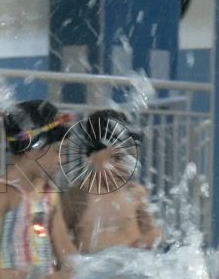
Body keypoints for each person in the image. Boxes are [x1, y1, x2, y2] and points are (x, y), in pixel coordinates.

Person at [0, 100, 77, 279]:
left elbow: (63, 245)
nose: (61, 160)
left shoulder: (50, 193)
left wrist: (78, 273)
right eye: (57, 152)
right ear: (32, 149)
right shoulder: (2, 192)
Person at [63, 109, 162, 254]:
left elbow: (153, 230)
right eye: (116, 158)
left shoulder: (135, 193)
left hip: (131, 264)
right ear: (90, 156)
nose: (124, 167)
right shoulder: (75, 198)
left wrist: (146, 240)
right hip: (92, 266)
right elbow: (60, 240)